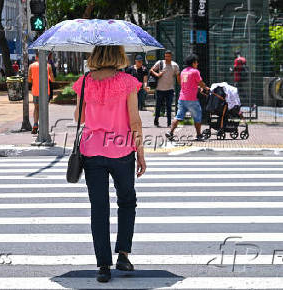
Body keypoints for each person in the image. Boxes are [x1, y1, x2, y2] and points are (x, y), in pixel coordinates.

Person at [72, 45, 146, 283]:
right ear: (118, 55)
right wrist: (141, 153)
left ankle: (103, 265)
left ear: (95, 56)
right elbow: (135, 121)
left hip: (92, 151)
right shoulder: (128, 82)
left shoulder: (84, 82)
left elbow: (80, 118)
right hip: (123, 149)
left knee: (99, 207)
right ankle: (123, 254)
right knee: (126, 200)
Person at [166, 54, 209, 141]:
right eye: (196, 62)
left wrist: (196, 87)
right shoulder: (195, 71)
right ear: (193, 63)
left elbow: (188, 83)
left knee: (178, 117)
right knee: (197, 116)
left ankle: (170, 132)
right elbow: (200, 82)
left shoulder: (183, 71)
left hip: (182, 98)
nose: (197, 64)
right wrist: (205, 87)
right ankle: (199, 135)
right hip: (192, 99)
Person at [150, 50, 180, 127]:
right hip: (159, 89)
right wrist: (157, 74)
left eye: (168, 56)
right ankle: (156, 121)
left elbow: (178, 76)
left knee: (169, 106)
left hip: (170, 89)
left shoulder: (174, 65)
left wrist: (181, 85)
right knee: (158, 106)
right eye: (166, 56)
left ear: (171, 57)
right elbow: (151, 70)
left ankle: (169, 123)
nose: (167, 58)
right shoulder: (160, 63)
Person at [28, 52, 55, 134]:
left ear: (36, 57)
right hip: (46, 91)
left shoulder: (31, 66)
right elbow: (52, 79)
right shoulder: (48, 66)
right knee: (44, 109)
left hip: (35, 91)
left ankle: (35, 124)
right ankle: (43, 127)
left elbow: (29, 80)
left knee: (36, 108)